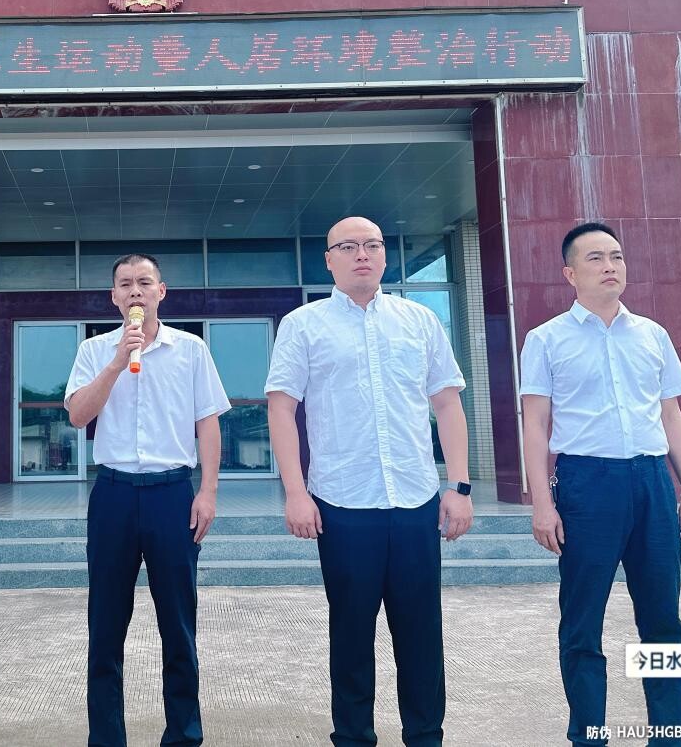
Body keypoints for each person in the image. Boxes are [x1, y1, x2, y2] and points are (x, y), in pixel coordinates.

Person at [265, 216, 473, 747]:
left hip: (415, 501)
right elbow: (282, 409)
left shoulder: (420, 320)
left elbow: (447, 404)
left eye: (373, 245)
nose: (362, 254)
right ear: (328, 260)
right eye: (349, 246)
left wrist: (459, 485)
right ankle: (354, 737)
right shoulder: (303, 325)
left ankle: (425, 736)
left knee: (422, 635)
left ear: (384, 255)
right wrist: (296, 492)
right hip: (342, 504)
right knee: (351, 636)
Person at [520, 222, 681, 747]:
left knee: (663, 620)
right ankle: (589, 735)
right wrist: (542, 504)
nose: (610, 266)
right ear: (569, 273)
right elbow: (536, 425)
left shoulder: (652, 334)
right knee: (582, 622)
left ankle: (669, 735)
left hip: (651, 483)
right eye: (596, 258)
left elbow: (671, 417)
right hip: (587, 485)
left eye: (617, 257)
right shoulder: (546, 339)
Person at [64, 253, 229, 747]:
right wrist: (118, 362)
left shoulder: (191, 349)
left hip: (172, 495)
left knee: (178, 625)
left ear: (161, 291)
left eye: (144, 282)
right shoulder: (95, 350)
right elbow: (78, 415)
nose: (135, 291)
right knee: (105, 625)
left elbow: (207, 423)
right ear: (114, 296)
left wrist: (208, 492)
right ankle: (106, 737)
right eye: (125, 284)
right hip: (113, 495)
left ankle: (183, 734)